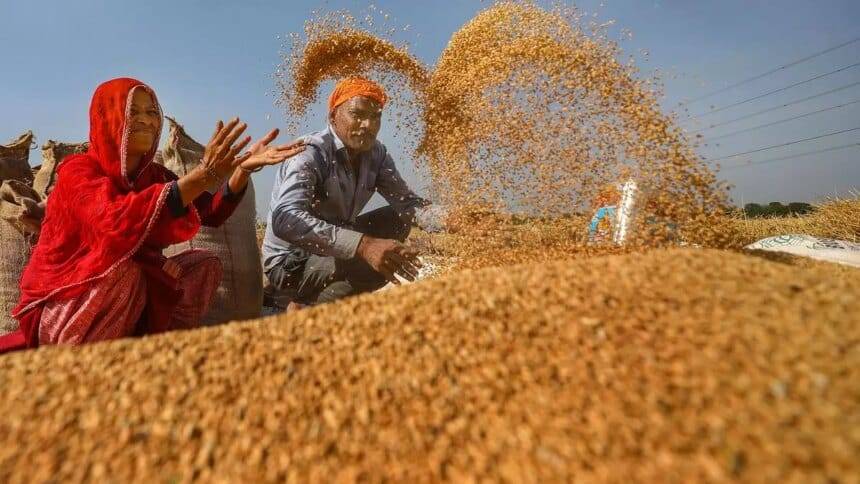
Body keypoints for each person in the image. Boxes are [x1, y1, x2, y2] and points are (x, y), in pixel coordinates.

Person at [0, 77, 304, 351]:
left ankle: (154, 349)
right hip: (67, 304)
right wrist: (202, 175)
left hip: (126, 295)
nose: (147, 121)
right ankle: (92, 364)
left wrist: (240, 172)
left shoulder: (155, 175)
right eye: (134, 112)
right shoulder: (77, 172)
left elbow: (207, 213)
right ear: (109, 119)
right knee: (124, 270)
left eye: (152, 112)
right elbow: (114, 224)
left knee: (203, 264)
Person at [263, 77, 428, 308]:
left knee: (397, 221)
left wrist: (454, 218)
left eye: (375, 117)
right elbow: (285, 219)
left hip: (336, 249)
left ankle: (305, 300)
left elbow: (408, 204)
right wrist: (365, 246)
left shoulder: (376, 154)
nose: (368, 125)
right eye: (358, 115)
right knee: (378, 262)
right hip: (290, 263)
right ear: (333, 117)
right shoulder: (310, 153)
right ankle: (306, 307)